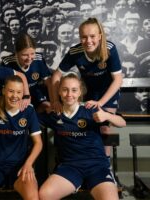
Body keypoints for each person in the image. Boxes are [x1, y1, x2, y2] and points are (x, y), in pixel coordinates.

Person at [39, 73, 126, 200]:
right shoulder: (55, 114)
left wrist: (107, 116)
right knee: (44, 195)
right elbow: (31, 120)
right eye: (65, 89)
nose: (69, 94)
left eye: (74, 90)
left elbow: (122, 123)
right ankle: (76, 184)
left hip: (97, 166)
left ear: (80, 92)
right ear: (59, 91)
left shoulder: (90, 109)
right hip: (70, 167)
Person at [51, 17, 123, 156]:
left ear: (100, 36)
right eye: (84, 37)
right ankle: (87, 161)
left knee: (105, 128)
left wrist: (101, 103)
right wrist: (55, 100)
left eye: (92, 36)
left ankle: (105, 164)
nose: (88, 41)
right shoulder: (75, 52)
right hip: (89, 92)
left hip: (108, 91)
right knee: (87, 128)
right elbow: (56, 76)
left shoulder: (109, 49)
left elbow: (118, 79)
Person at [2, 34, 52, 113]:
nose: (29, 58)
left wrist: (53, 101)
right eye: (25, 55)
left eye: (32, 54)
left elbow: (49, 82)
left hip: (37, 92)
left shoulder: (38, 59)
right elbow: (5, 88)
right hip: (18, 95)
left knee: (47, 106)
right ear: (16, 53)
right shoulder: (7, 62)